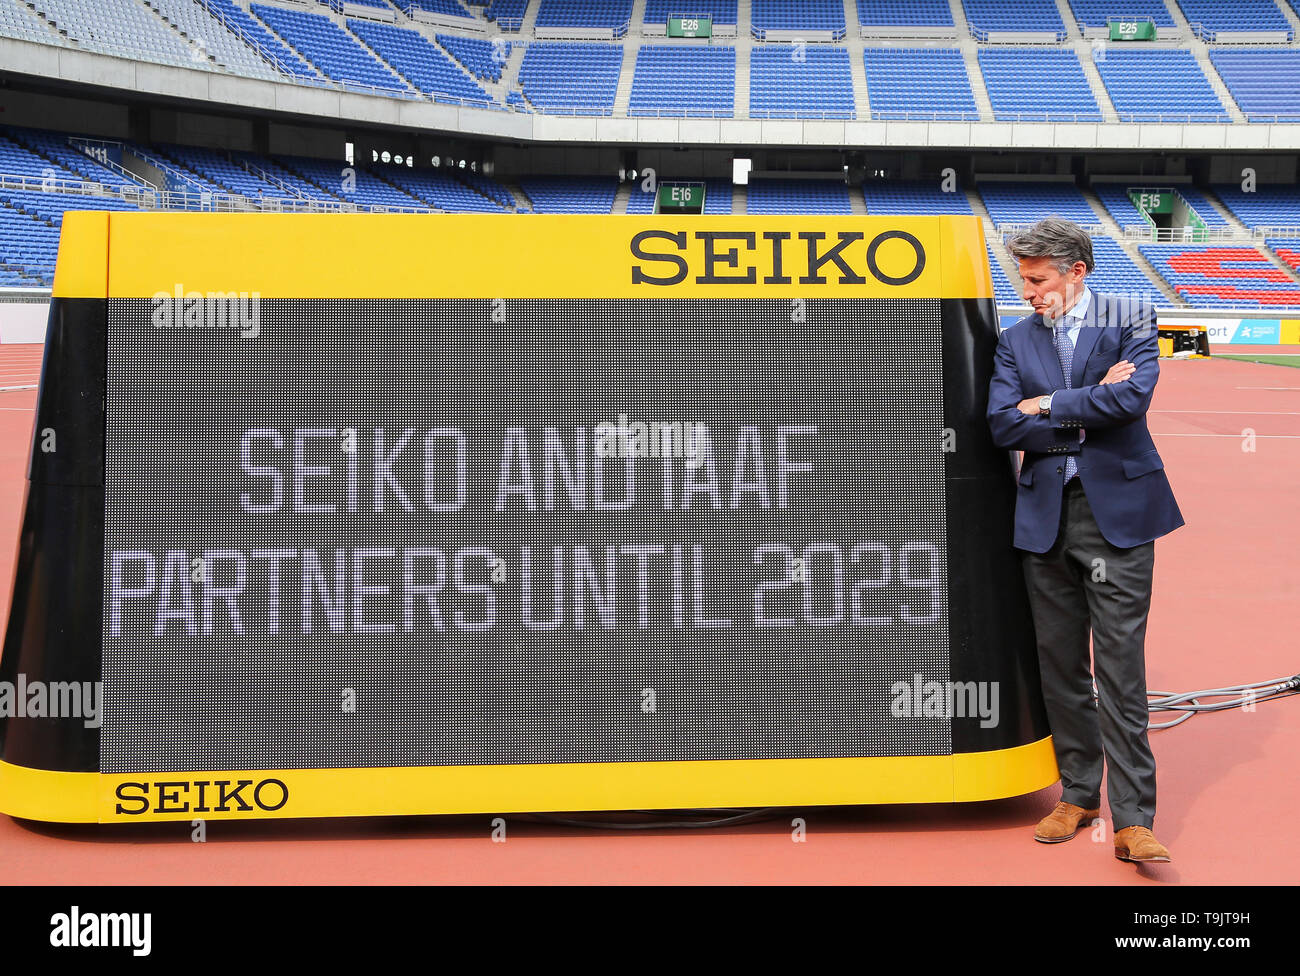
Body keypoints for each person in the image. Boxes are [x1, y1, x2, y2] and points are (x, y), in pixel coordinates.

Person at [985, 217, 1184, 864]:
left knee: (1121, 669)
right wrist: (1080, 402)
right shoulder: (1015, 339)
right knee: (1060, 664)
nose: (1028, 290)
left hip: (1118, 516)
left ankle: (1134, 819)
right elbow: (1000, 426)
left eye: (1038, 279)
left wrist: (1047, 405)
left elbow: (1130, 402)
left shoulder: (1131, 316)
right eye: (1022, 278)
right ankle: (1078, 793)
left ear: (1077, 273)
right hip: (1045, 517)